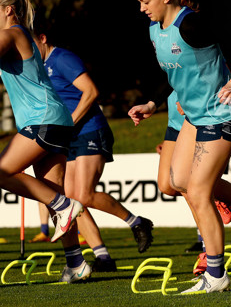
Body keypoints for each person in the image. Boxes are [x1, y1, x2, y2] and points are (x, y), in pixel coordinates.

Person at [129, 0, 231, 294]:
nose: (142, 8)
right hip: (196, 115)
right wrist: (152, 104)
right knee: (178, 181)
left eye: (145, 1)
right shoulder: (156, 30)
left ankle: (215, 274)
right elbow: (172, 74)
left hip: (224, 113)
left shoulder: (191, 24)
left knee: (197, 192)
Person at [32, 20, 154, 271]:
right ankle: (103, 257)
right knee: (71, 202)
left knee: (83, 195)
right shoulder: (41, 66)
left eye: (31, 43)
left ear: (42, 38)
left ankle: (137, 222)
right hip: (70, 136)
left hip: (90, 130)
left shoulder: (62, 58)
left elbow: (91, 91)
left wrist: (70, 123)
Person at [0, 0, 89, 282]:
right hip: (53, 120)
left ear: (9, 10)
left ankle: (64, 206)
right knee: (53, 193)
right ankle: (76, 264)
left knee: (2, 172)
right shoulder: (16, 35)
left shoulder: (13, 33)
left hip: (44, 119)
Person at [155, 90, 231, 277]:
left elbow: (216, 75)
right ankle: (220, 198)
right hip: (174, 122)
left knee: (194, 190)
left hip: (198, 118)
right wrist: (152, 104)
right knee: (167, 185)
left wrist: (189, 98)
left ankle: (209, 254)